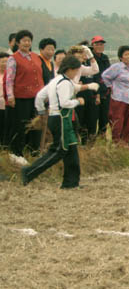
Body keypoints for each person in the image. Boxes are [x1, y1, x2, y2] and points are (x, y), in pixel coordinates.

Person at [20, 56, 84, 189]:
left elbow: (40, 97)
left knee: (71, 149)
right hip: (62, 119)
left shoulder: (55, 80)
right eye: (76, 71)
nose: (77, 73)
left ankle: (71, 182)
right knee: (58, 150)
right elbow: (65, 103)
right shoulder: (65, 82)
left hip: (55, 118)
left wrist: (42, 112)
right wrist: (78, 101)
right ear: (70, 69)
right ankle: (29, 172)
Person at [5, 29, 45, 161]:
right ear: (18, 42)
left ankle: (34, 152)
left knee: (37, 125)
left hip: (36, 97)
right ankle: (17, 153)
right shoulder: (13, 58)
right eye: (24, 41)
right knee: (21, 125)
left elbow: (41, 76)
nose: (27, 43)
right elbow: (9, 79)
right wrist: (10, 96)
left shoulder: (36, 57)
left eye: (29, 41)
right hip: (21, 97)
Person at [101, 45, 129, 144]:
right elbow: (105, 76)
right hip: (119, 97)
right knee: (118, 120)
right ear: (121, 57)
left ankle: (125, 142)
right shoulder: (117, 67)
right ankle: (116, 142)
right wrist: (110, 86)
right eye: (126, 54)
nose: (128, 56)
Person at [87, 35, 111, 141]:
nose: (100, 46)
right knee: (92, 118)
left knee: (104, 118)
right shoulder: (89, 58)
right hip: (93, 92)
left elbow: (109, 73)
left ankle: (102, 137)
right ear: (92, 45)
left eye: (101, 44)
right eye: (97, 44)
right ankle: (90, 139)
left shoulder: (105, 58)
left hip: (105, 92)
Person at [0, 52, 8, 147]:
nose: (4, 64)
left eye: (7, 62)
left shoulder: (11, 76)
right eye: (2, 62)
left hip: (6, 106)